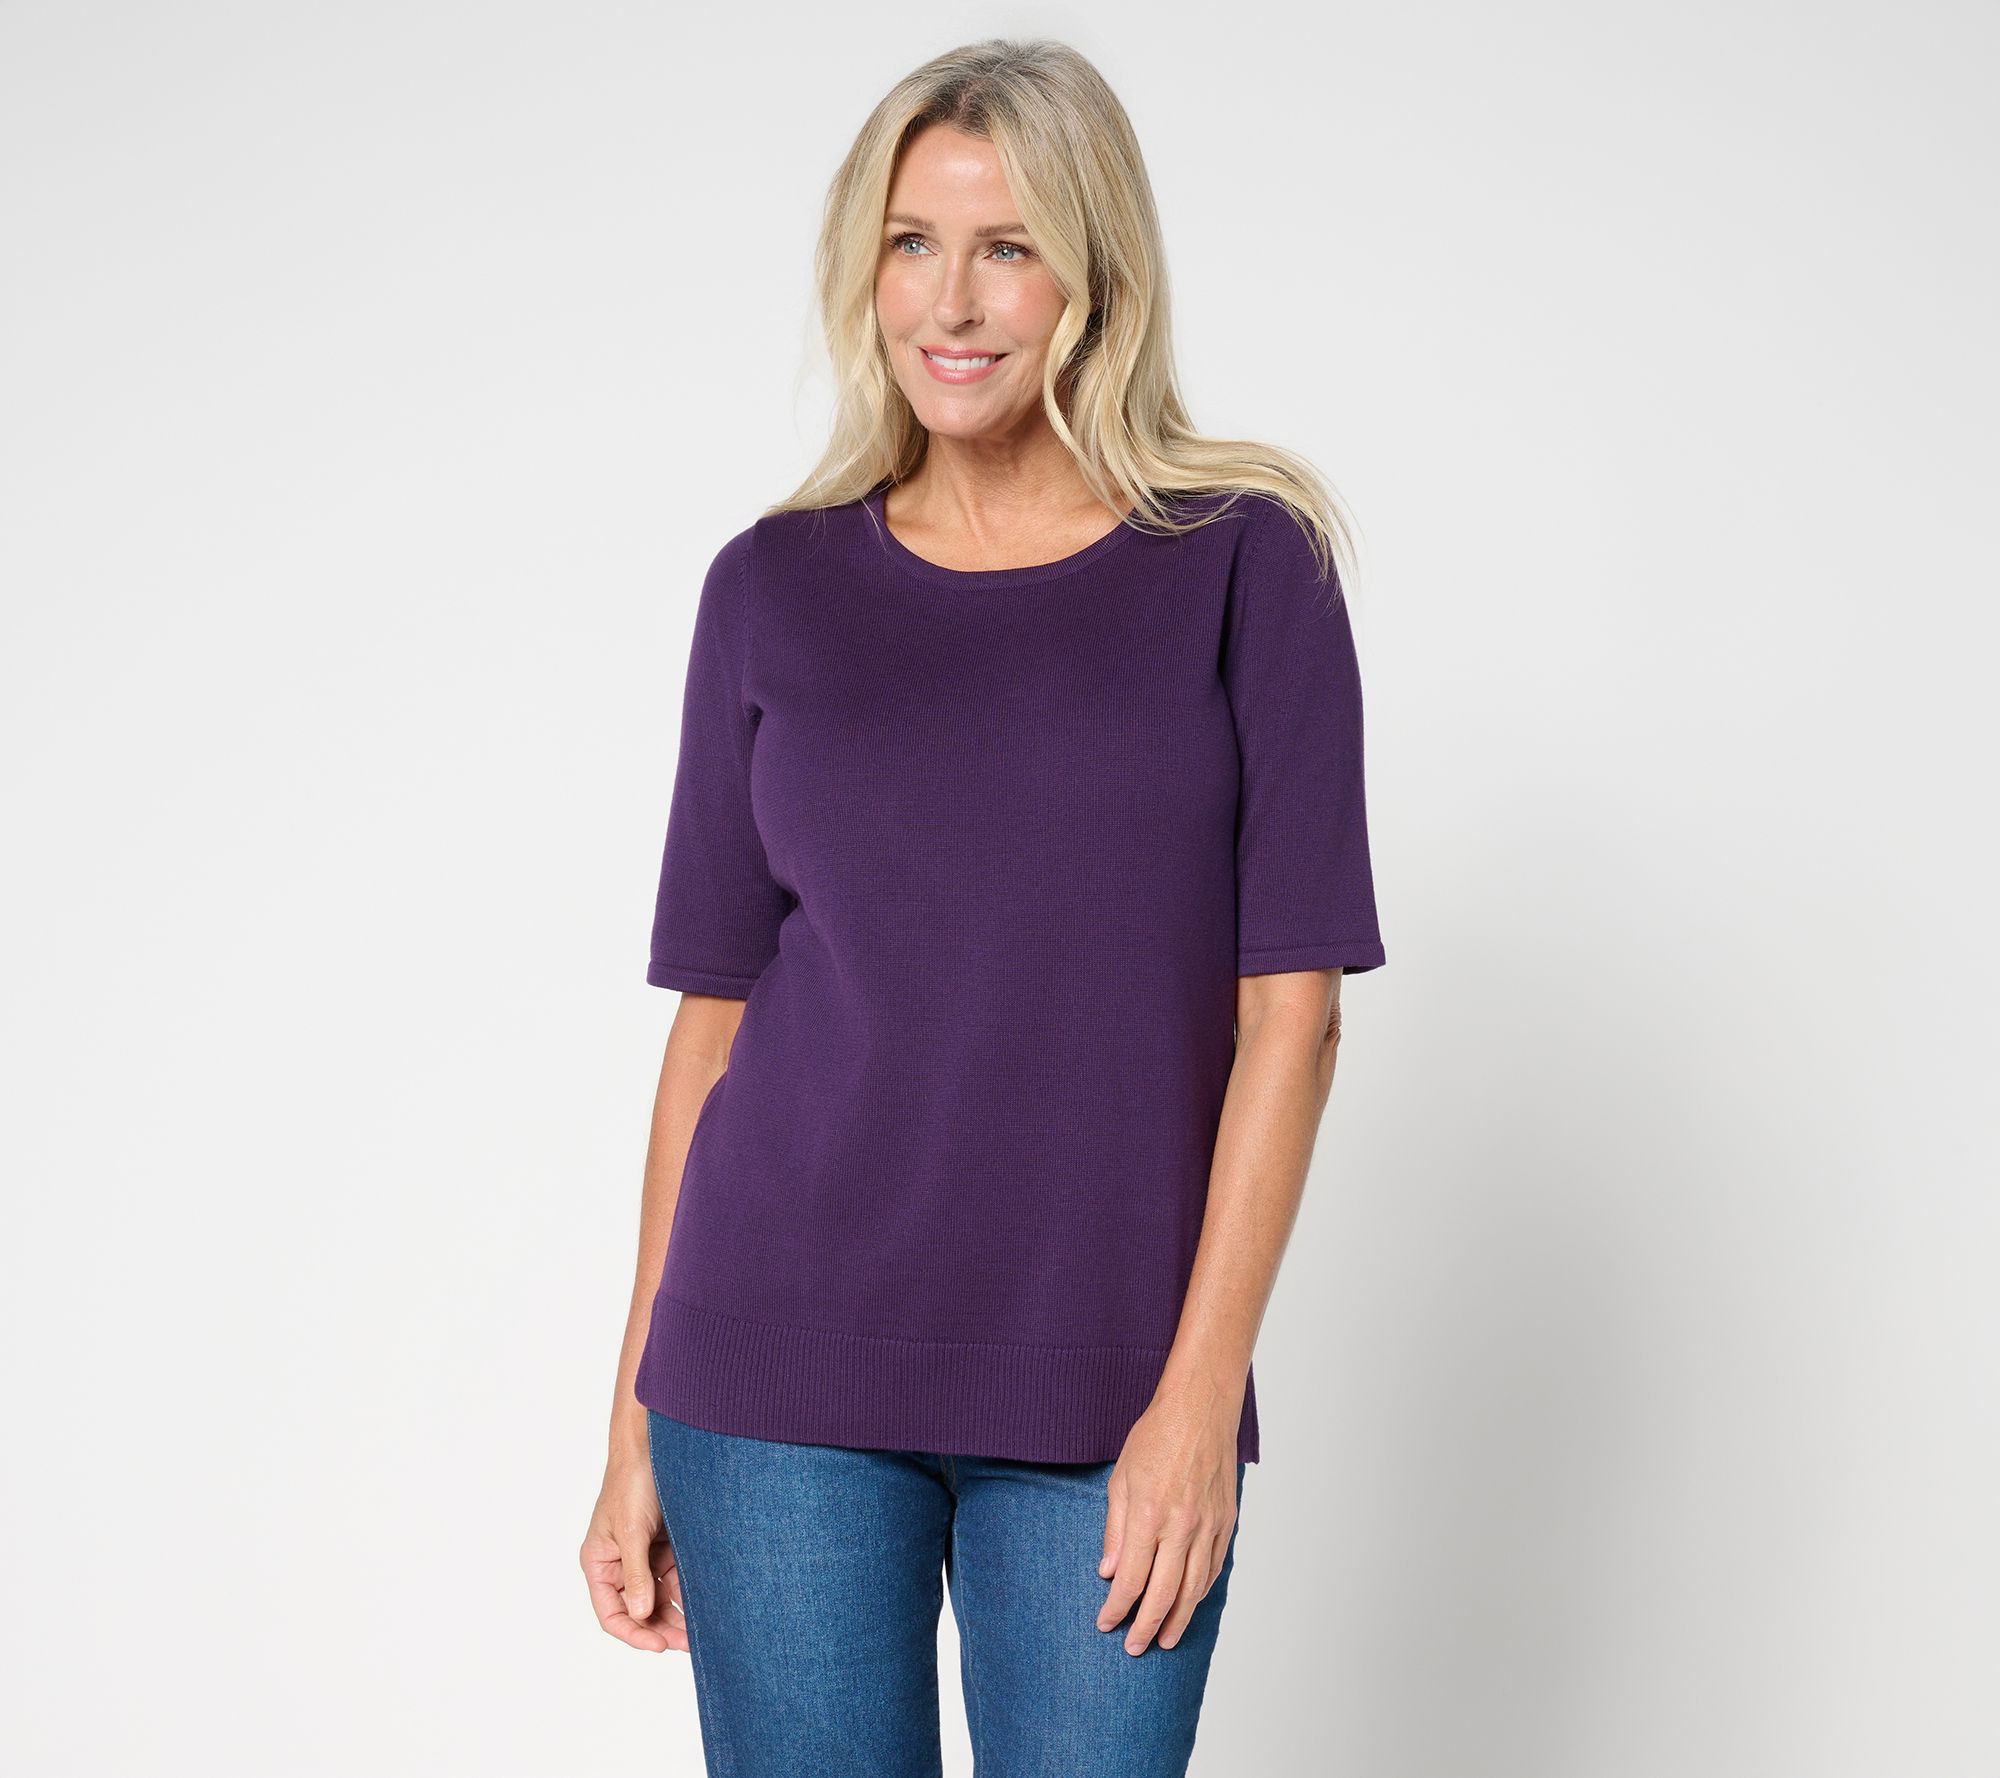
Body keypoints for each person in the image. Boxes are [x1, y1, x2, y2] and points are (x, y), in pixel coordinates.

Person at [580, 36, 1387, 1778]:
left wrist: (1197, 1401)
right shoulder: (771, 588)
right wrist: (634, 1415)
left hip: (1111, 1385)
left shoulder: (1245, 565)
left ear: (1096, 277)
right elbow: (714, 1026)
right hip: (773, 1376)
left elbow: (1294, 1020)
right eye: (912, 243)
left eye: (1008, 247)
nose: (951, 300)